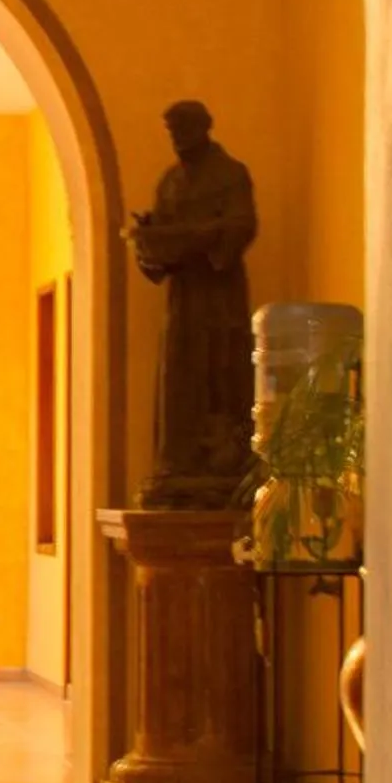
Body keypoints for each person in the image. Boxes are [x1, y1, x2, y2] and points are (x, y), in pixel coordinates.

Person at [128, 100, 258, 506]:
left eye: (181, 129)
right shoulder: (170, 182)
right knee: (179, 375)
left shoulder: (230, 174)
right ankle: (179, 463)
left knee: (218, 372)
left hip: (218, 297)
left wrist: (197, 237)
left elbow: (240, 226)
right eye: (170, 131)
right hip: (183, 297)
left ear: (202, 128)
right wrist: (150, 241)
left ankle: (220, 462)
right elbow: (157, 249)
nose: (176, 138)